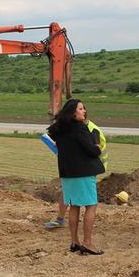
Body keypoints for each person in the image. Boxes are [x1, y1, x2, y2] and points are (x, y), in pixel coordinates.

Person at [47, 99, 106, 255]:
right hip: (83, 173)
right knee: (91, 205)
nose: (84, 111)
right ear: (73, 112)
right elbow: (92, 151)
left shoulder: (60, 129)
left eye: (84, 108)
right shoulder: (80, 128)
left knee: (74, 206)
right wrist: (97, 147)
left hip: (67, 174)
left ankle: (74, 242)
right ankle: (87, 243)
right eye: (80, 109)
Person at [45, 115, 108, 228]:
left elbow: (94, 149)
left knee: (87, 203)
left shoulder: (91, 129)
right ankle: (61, 219)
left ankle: (67, 221)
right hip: (82, 165)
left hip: (90, 166)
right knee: (69, 193)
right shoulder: (77, 127)